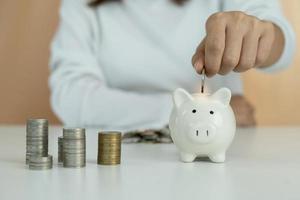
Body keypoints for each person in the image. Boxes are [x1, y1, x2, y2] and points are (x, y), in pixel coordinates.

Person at [49, 0, 295, 131]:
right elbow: (70, 96)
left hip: (218, 152)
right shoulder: (82, 4)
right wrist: (187, 111)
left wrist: (264, 34)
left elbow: (280, 45)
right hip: (120, 156)